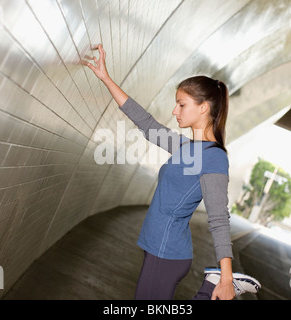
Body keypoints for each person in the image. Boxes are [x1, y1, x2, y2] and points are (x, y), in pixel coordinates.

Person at [84, 44, 260, 300]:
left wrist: (226, 276)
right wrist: (106, 78)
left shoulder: (214, 159)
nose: (174, 111)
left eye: (181, 104)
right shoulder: (186, 147)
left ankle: (218, 286)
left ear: (203, 108)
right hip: (157, 248)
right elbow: (146, 123)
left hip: (166, 253)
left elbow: (219, 218)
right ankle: (209, 288)